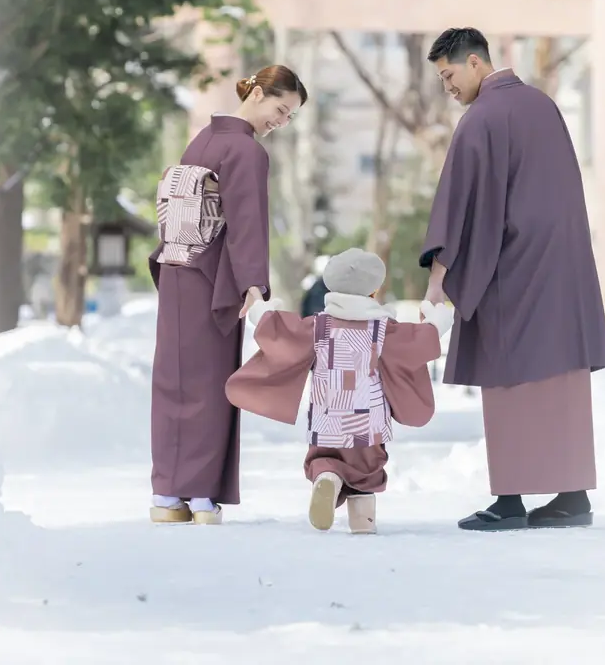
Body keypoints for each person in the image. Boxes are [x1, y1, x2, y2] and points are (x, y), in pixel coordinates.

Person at [419, 28, 605, 532]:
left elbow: (461, 207)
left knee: (508, 379)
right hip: (563, 267)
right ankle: (572, 496)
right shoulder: (542, 105)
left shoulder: (482, 118)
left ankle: (509, 500)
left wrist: (439, 279)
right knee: (561, 380)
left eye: (449, 75)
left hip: (514, 270)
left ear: (477, 62)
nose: (449, 88)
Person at [149, 65, 308, 525]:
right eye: (281, 109)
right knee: (209, 385)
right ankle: (200, 496)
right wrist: (253, 285)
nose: (281, 121)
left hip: (176, 268)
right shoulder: (246, 151)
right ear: (257, 93)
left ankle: (167, 495)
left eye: (290, 116)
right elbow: (246, 225)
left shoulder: (202, 139)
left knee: (174, 382)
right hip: (212, 276)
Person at [226, 248, 450, 534]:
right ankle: (362, 523)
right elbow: (418, 342)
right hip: (367, 424)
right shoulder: (383, 330)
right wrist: (436, 323)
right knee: (367, 469)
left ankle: (327, 478)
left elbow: (279, 333)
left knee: (324, 458)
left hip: (326, 419)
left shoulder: (317, 327)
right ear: (374, 291)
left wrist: (260, 309)